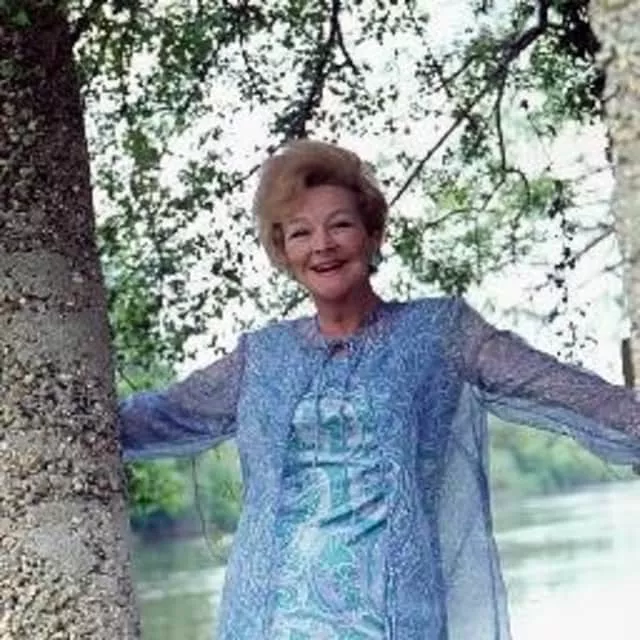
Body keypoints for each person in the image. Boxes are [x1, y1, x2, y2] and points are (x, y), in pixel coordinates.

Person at [118, 140, 640, 640]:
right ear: (283, 251)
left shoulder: (440, 332)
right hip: (266, 621)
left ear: (372, 234)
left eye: (340, 225)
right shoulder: (261, 356)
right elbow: (156, 417)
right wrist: (73, 418)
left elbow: (562, 388)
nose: (322, 245)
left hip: (393, 619)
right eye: (300, 232)